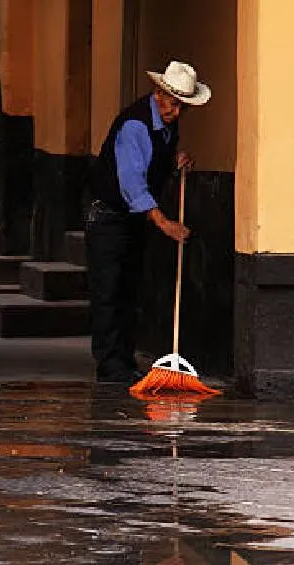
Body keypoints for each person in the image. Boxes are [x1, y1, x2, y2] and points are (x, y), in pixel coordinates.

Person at [86, 61, 212, 384]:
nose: (177, 111)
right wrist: (164, 222)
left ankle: (124, 362)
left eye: (183, 106)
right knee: (109, 292)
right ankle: (110, 366)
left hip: (130, 220)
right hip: (109, 218)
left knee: (129, 290)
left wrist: (173, 161)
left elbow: (153, 159)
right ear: (158, 93)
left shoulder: (167, 125)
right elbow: (132, 184)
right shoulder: (135, 125)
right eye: (173, 103)